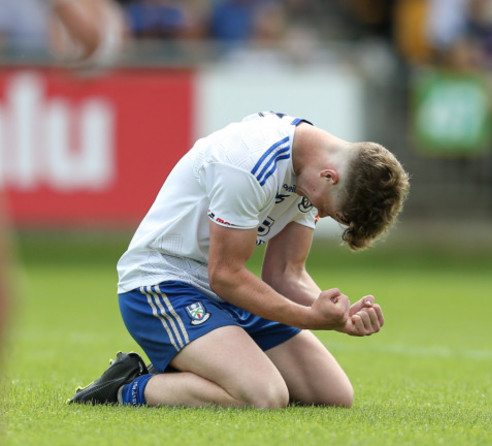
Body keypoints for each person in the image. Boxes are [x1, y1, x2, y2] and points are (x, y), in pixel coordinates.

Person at [69, 111, 410, 408]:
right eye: (330, 211)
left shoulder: (311, 171)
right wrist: (309, 316)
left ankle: (210, 364)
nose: (320, 213)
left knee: (333, 395)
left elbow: (285, 274)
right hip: (163, 287)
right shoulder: (247, 164)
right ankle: (126, 386)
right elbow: (226, 275)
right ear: (329, 177)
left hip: (224, 295)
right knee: (264, 396)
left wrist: (340, 316)